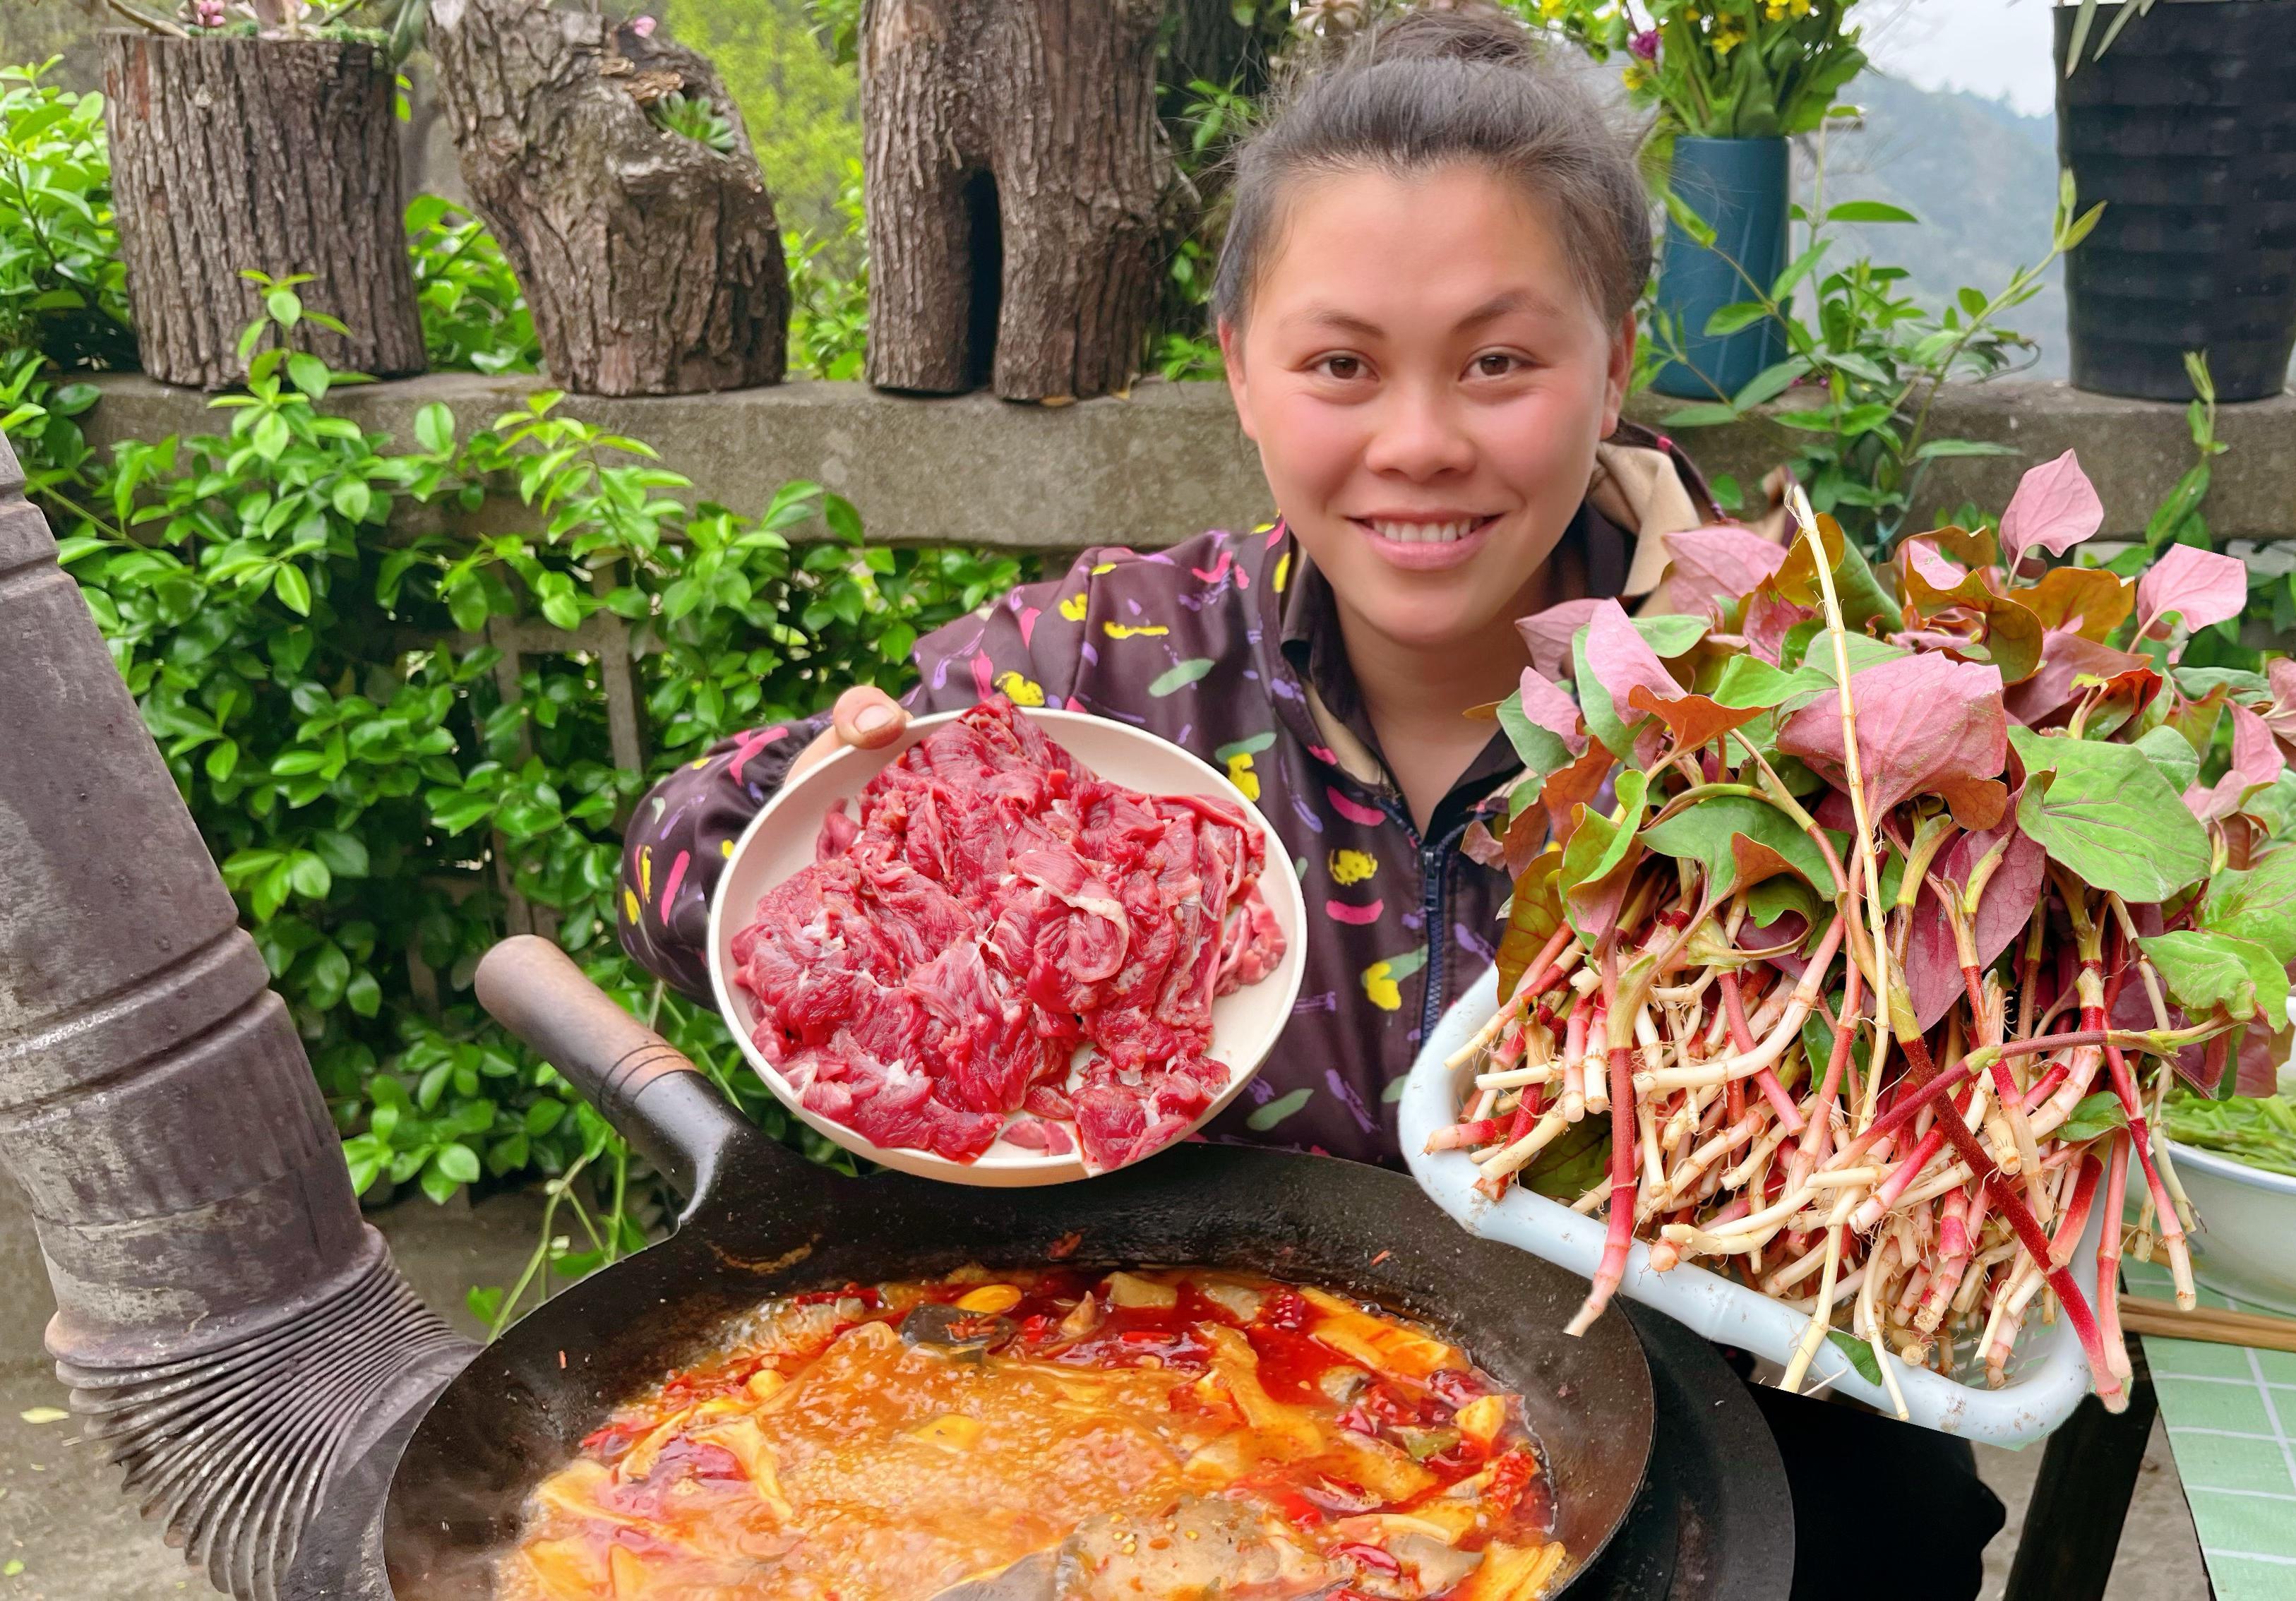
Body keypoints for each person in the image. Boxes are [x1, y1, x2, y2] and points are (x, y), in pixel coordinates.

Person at [615, 7, 2002, 1595]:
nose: (1419, 443)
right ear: (1243, 379)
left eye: (1500, 363)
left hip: (1700, 1441)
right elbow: (681, 858)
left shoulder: (1790, 708)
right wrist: (806, 823)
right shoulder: (1111, 671)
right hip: (1195, 1442)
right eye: (1342, 365)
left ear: (1615, 367)